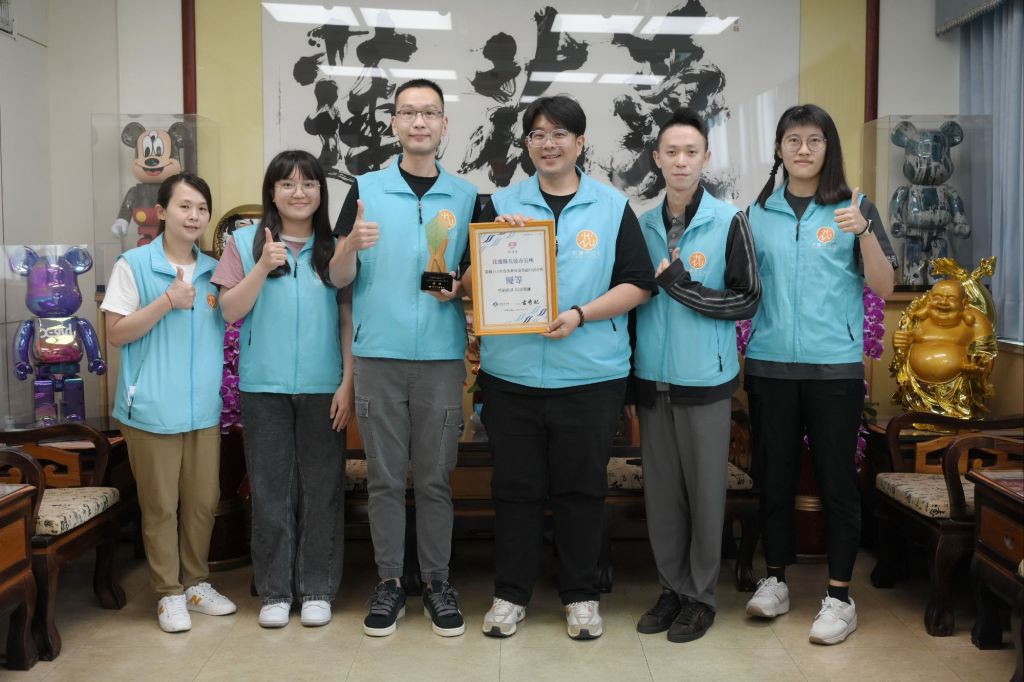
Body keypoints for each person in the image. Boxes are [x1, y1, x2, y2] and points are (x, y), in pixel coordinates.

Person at [470, 95, 656, 640]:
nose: (548, 144)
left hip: (590, 376)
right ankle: (510, 595)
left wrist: (580, 314)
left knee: (581, 490)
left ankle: (581, 596)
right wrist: (494, 242)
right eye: (537, 134)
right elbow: (466, 285)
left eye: (559, 134)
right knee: (515, 489)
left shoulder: (611, 206)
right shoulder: (499, 203)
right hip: (512, 377)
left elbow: (638, 284)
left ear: (580, 142)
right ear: (526, 144)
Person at [329, 79, 479, 637]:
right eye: (408, 112)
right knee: (386, 480)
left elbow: (474, 276)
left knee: (436, 479)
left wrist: (458, 288)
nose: (419, 122)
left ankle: (437, 583)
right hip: (378, 356)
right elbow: (337, 277)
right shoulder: (365, 190)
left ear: (443, 125)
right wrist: (350, 246)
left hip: (440, 358)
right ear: (393, 123)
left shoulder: (466, 196)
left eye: (429, 113)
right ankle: (390, 581)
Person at [742, 104, 896, 645]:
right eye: (793, 139)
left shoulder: (855, 206)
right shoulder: (757, 212)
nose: (803, 149)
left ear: (829, 148)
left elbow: (884, 286)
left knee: (837, 483)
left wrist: (865, 233)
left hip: (835, 369)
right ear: (779, 148)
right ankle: (775, 580)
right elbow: (740, 284)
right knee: (775, 479)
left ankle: (839, 597)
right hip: (770, 366)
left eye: (814, 140)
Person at [627, 108, 760, 643]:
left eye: (691, 152)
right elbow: (632, 302)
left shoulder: (729, 221)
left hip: (705, 380)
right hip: (652, 379)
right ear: (656, 159)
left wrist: (682, 286)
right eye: (671, 152)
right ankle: (672, 589)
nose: (681, 161)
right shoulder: (641, 225)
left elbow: (746, 300)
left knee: (706, 497)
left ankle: (701, 597)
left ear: (706, 157)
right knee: (662, 497)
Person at [214, 150, 351, 629]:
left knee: (322, 491)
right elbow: (229, 311)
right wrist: (260, 266)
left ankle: (317, 590)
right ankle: (275, 591)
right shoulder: (243, 242)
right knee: (270, 491)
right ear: (271, 192)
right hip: (263, 386)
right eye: (287, 184)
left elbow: (348, 320)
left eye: (309, 183)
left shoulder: (334, 249)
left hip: (324, 386)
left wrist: (347, 382)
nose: (299, 193)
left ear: (321, 193)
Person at [104, 172, 236, 633]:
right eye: (184, 206)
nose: (194, 215)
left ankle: (196, 584)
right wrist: (166, 300)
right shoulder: (134, 264)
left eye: (201, 208)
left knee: (203, 502)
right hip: (151, 409)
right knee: (160, 506)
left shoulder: (215, 271)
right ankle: (168, 592)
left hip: (202, 410)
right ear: (162, 212)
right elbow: (116, 334)